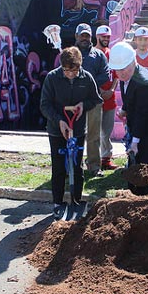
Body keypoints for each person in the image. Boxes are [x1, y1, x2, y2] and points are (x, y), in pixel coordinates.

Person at [40, 46, 103, 218]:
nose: (70, 74)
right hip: (56, 130)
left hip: (77, 129)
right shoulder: (52, 78)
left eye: (73, 70)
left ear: (79, 66)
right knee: (59, 167)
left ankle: (76, 201)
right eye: (66, 70)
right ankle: (57, 203)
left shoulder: (86, 77)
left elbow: (95, 99)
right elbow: (44, 105)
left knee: (77, 166)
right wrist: (59, 120)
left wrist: (83, 104)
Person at [110, 42, 148, 195]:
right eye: (118, 70)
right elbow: (131, 99)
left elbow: (143, 116)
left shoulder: (145, 84)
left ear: (133, 61)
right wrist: (124, 110)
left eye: (124, 69)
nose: (121, 74)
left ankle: (147, 198)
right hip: (139, 124)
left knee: (144, 166)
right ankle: (134, 194)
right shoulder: (127, 76)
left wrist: (135, 142)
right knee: (134, 164)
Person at [74, 23, 110, 177]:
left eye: (87, 35)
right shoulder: (70, 54)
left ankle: (94, 166)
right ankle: (74, 165)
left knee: (94, 135)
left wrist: (89, 83)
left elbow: (106, 74)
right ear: (76, 36)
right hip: (73, 101)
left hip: (94, 100)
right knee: (74, 135)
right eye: (81, 35)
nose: (84, 38)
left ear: (91, 37)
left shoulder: (99, 54)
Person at [94, 25, 118, 170]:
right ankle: (95, 158)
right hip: (96, 96)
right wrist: (101, 89)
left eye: (108, 37)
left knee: (107, 131)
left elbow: (116, 75)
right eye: (103, 36)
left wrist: (112, 89)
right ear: (97, 37)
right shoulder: (92, 53)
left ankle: (106, 158)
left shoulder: (112, 53)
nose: (106, 39)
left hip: (110, 97)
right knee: (95, 131)